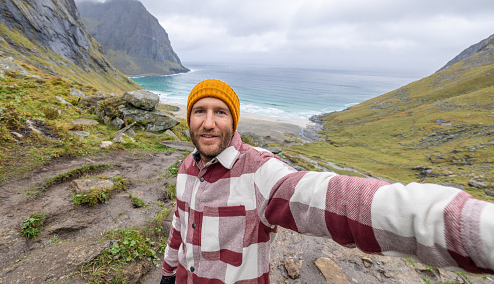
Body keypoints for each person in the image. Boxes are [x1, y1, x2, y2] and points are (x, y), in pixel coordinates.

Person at [160, 79, 494, 284]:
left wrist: (461, 227)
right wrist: (168, 273)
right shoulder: (186, 169)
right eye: (199, 111)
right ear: (188, 119)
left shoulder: (259, 172)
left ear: (233, 121)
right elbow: (180, 225)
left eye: (220, 112)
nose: (208, 122)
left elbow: (331, 199)